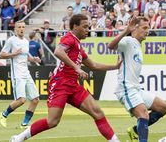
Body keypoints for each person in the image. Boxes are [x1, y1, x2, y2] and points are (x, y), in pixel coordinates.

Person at [9, 14, 120, 142]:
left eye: (88, 27)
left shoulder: (78, 46)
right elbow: (58, 51)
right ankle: (18, 138)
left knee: (97, 112)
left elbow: (93, 65)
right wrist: (77, 68)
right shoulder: (69, 37)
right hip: (60, 83)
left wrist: (115, 66)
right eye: (84, 27)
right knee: (52, 121)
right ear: (75, 26)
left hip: (73, 85)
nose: (87, 30)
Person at [108, 17, 166, 142]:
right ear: (135, 28)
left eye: (148, 28)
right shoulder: (128, 41)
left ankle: (136, 130)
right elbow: (110, 46)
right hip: (126, 88)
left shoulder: (137, 45)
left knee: (163, 107)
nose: (147, 31)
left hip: (135, 88)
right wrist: (126, 31)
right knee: (144, 115)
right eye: (144, 28)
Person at [0, 21, 41, 129]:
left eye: (23, 27)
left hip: (26, 72)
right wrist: (13, 54)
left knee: (35, 99)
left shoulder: (26, 42)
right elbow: (1, 55)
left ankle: (24, 124)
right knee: (22, 100)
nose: (21, 29)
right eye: (19, 27)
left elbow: (26, 57)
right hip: (17, 74)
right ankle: (4, 114)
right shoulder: (11, 40)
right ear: (15, 29)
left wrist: (34, 59)